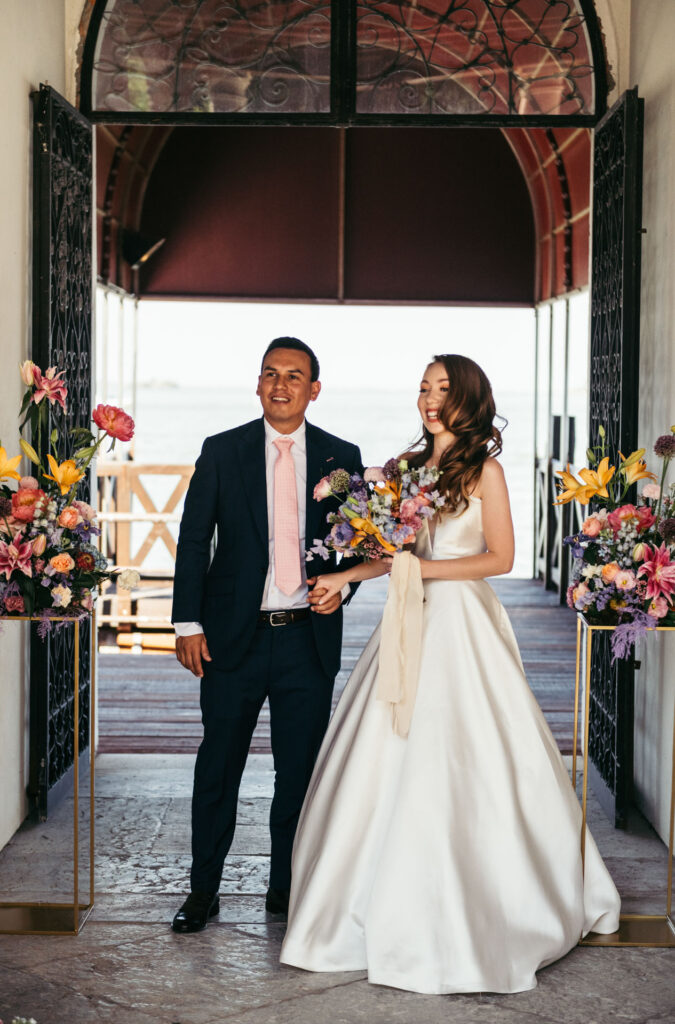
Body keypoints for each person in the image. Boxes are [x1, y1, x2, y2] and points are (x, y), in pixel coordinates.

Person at [280, 354, 620, 994]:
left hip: (462, 622)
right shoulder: (407, 471)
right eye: (423, 388)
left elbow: (501, 556)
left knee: (465, 752)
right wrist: (347, 574)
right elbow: (394, 556)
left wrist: (420, 572)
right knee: (378, 751)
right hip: (409, 620)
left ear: (469, 399)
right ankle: (354, 914)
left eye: (443, 388)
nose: (430, 399)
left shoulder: (484, 469)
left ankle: (490, 910)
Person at [170, 337, 364, 933]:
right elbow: (194, 538)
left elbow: (356, 542)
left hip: (307, 640)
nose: (281, 385)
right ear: (258, 385)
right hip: (233, 640)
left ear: (314, 388)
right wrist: (187, 622)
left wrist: (344, 589)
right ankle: (203, 891)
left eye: (295, 376)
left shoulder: (342, 455)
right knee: (218, 768)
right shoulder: (222, 451)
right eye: (271, 374)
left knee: (298, 774)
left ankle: (287, 888)